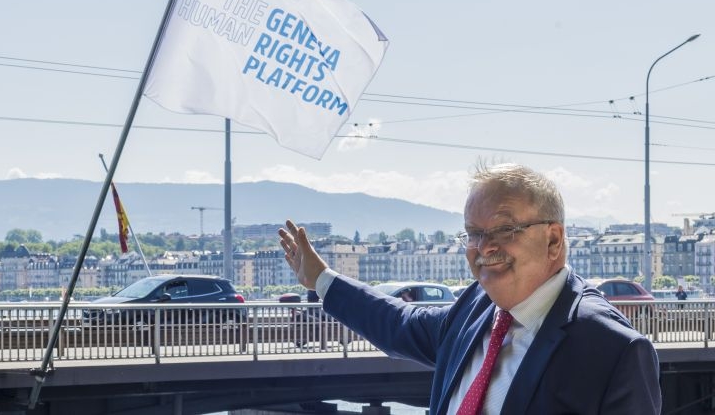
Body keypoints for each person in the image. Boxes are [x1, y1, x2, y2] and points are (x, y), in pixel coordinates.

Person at [279, 162, 661, 414]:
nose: (485, 247)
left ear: (554, 240)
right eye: (474, 233)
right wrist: (322, 279)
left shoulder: (613, 349)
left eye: (505, 229)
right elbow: (398, 323)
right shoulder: (475, 308)